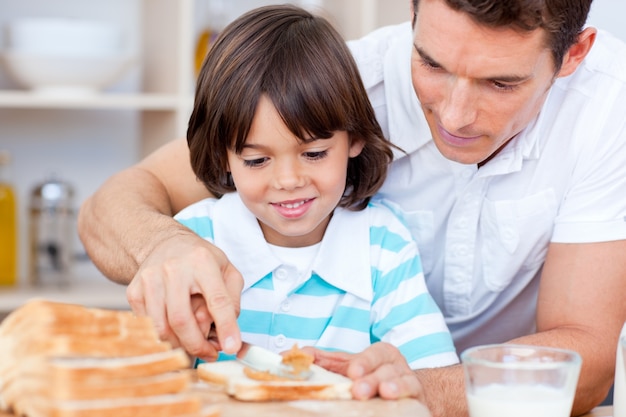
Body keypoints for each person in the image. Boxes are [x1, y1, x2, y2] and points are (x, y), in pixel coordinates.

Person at [78, 0, 626, 415]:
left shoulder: (606, 109)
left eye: (500, 82)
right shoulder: (335, 88)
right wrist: (163, 245)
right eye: (432, 63)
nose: (456, 115)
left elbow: (587, 359)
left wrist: (408, 390)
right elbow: (119, 200)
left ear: (573, 54)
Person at [172, 4, 457, 368]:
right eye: (257, 160)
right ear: (223, 155)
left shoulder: (383, 246)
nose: (289, 181)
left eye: (314, 153)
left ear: (354, 138)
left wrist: (394, 379)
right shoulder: (191, 242)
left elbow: (433, 373)